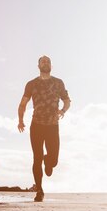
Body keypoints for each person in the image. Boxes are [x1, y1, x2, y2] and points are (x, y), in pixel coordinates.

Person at [18, 55, 71, 202]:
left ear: (51, 66)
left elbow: (67, 100)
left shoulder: (58, 83)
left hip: (53, 125)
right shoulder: (31, 84)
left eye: (48, 62)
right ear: (39, 66)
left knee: (53, 160)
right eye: (43, 62)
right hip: (36, 125)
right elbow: (23, 104)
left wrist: (63, 110)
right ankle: (39, 191)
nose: (45, 63)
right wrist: (20, 120)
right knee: (37, 158)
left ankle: (49, 162)